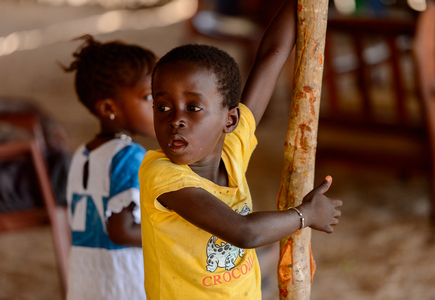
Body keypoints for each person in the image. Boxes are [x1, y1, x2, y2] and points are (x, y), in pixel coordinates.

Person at [139, 0, 342, 298]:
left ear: (230, 119)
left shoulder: (232, 149)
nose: (176, 120)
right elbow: (245, 232)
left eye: (193, 107)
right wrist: (304, 216)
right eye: (163, 107)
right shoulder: (162, 175)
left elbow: (273, 53)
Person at [62, 35, 157, 300]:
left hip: (86, 278)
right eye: (148, 96)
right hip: (123, 281)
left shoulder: (83, 153)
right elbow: (122, 230)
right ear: (108, 108)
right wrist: (173, 233)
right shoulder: (130, 157)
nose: (160, 105)